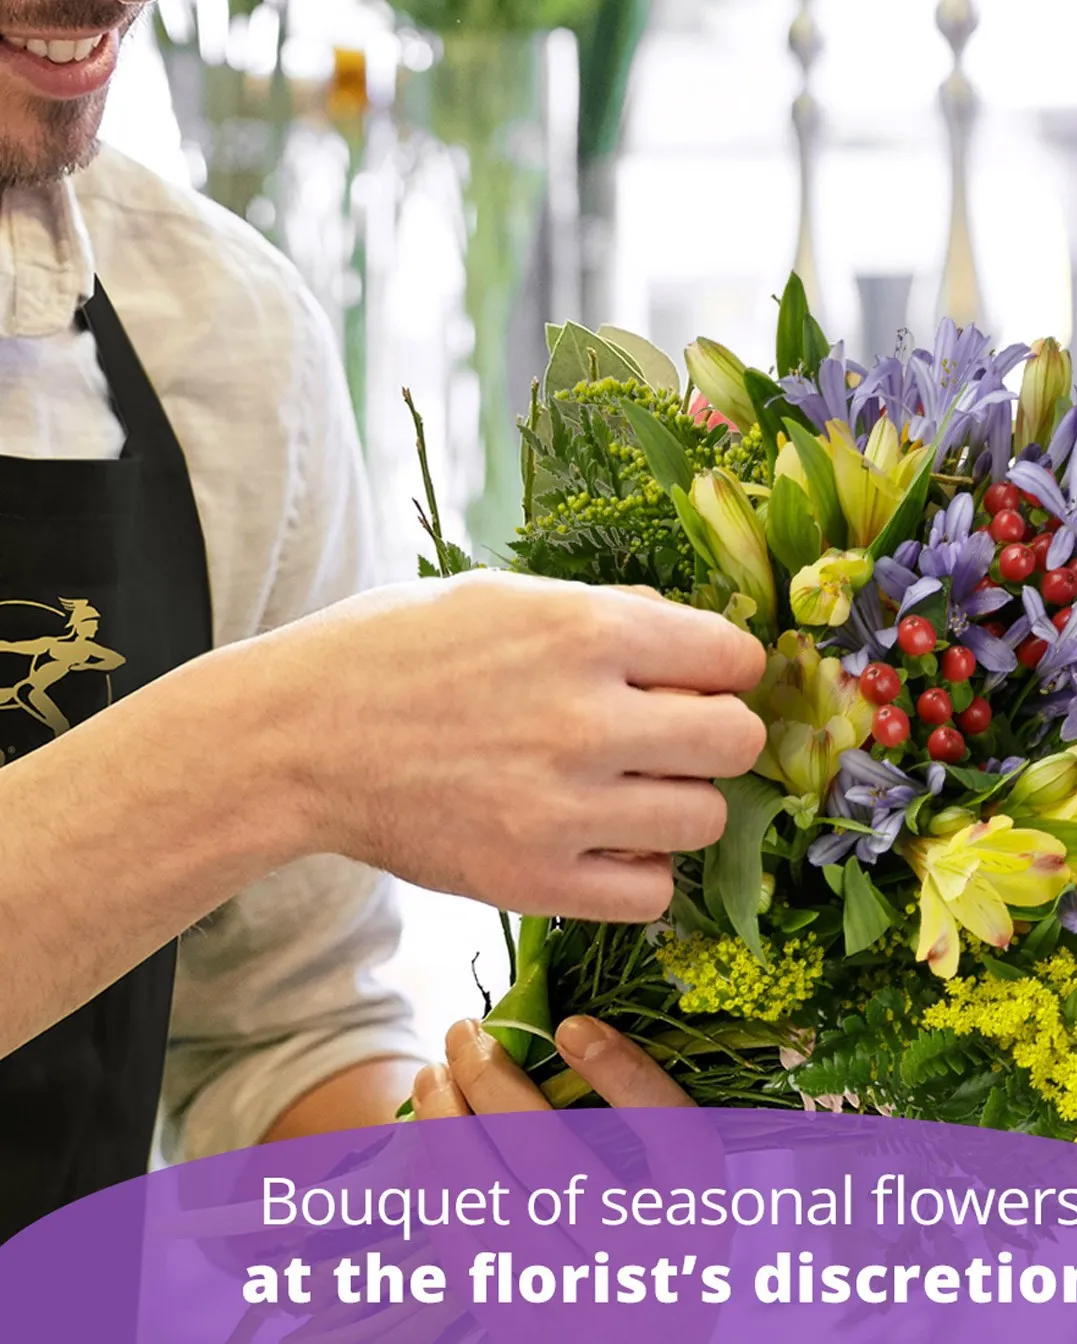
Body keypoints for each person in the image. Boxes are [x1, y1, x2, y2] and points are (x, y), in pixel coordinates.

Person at [0, 0, 745, 1243]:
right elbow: (290, 754)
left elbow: (275, 1029)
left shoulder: (221, 334)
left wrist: (461, 1220)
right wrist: (285, 744)